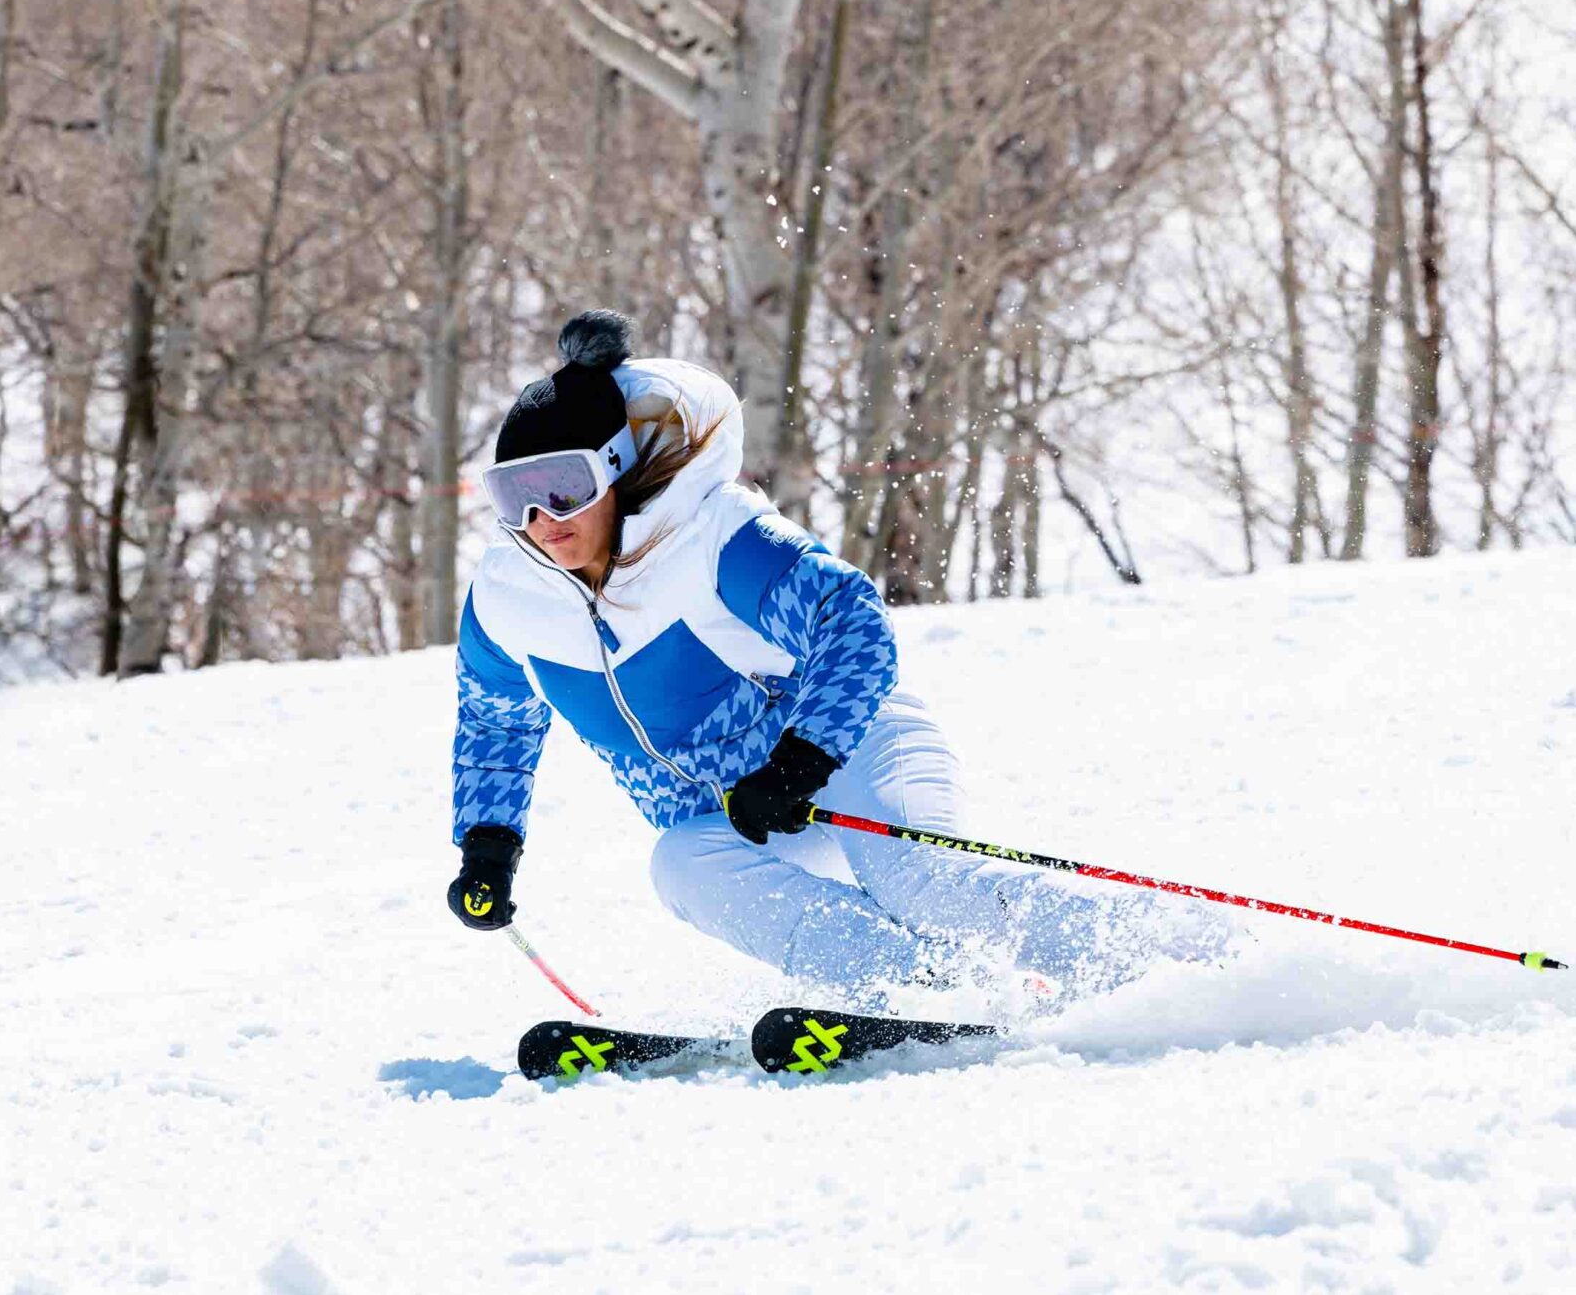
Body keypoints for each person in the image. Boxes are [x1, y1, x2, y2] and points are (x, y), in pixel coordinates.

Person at [443, 309, 1224, 1001]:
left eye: (566, 486)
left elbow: (848, 618)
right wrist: (488, 844)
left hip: (850, 750)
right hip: (741, 815)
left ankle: (1189, 961)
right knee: (680, 863)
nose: (544, 518)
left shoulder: (710, 537)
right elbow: (495, 722)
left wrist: (799, 759)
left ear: (618, 466)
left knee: (919, 880)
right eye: (518, 495)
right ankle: (911, 985)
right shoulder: (510, 599)